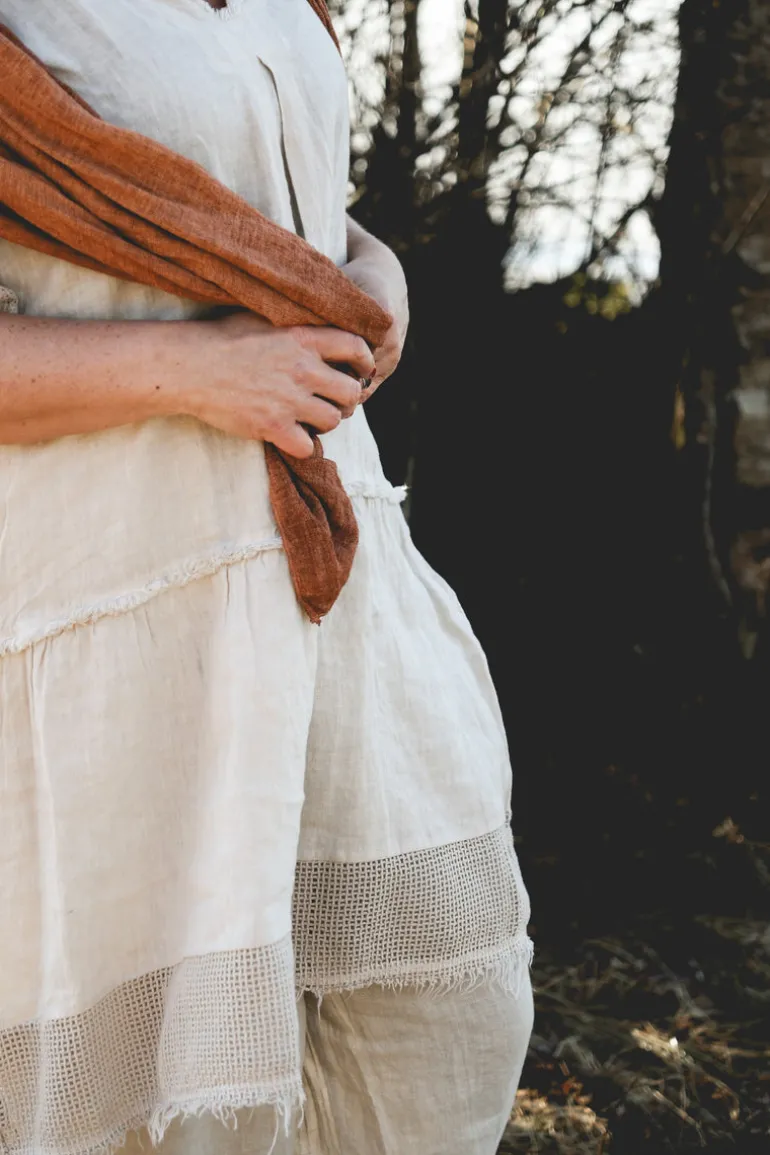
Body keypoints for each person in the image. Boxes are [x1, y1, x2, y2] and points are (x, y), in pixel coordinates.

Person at [0, 2, 534, 1153]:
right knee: (168, 1098)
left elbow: (296, 215)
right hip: (123, 598)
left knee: (441, 1024)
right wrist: (192, 369)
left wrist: (375, 283)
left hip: (337, 585)